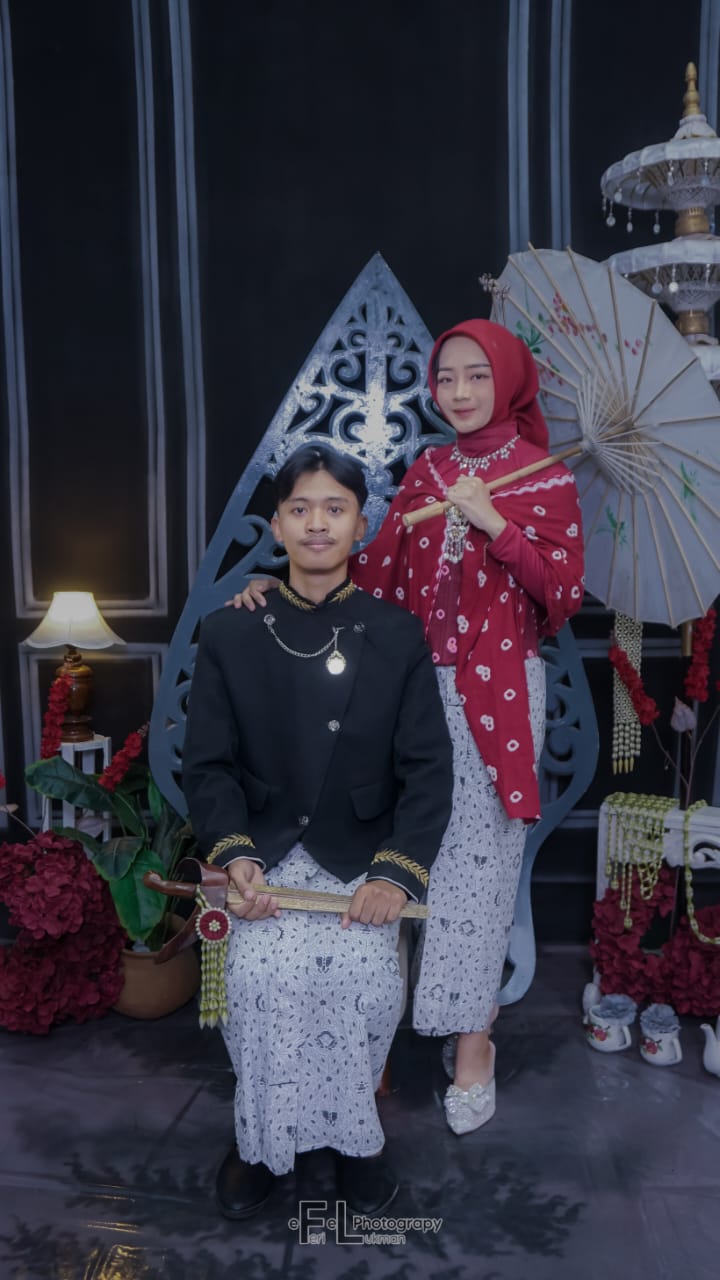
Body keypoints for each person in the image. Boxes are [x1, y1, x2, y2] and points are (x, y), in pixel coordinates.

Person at [231, 319, 585, 1136]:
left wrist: (496, 524)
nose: (458, 393)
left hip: (498, 696)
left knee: (476, 875)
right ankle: (375, 1026)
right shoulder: (428, 469)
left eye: (476, 377)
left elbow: (562, 595)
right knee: (392, 854)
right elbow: (376, 569)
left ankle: (472, 1045)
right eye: (447, 377)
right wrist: (280, 583)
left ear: (509, 382)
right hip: (408, 688)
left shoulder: (544, 479)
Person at [182, 442, 453, 1219]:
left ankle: (351, 1140)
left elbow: (429, 771)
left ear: (361, 525)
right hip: (264, 856)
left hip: (359, 858)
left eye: (335, 508)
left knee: (362, 983)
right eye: (299, 508)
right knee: (260, 980)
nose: (317, 523)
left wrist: (393, 874)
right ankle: (259, 1140)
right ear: (276, 526)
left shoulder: (397, 634)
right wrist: (236, 858)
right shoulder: (231, 632)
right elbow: (209, 767)